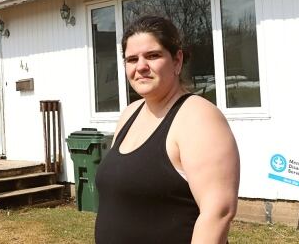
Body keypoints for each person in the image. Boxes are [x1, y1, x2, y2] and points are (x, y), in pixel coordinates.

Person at [95, 15, 240, 244]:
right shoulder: (129, 114)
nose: (141, 66)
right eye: (132, 59)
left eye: (153, 56)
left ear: (177, 61)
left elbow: (218, 212)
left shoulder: (198, 116)